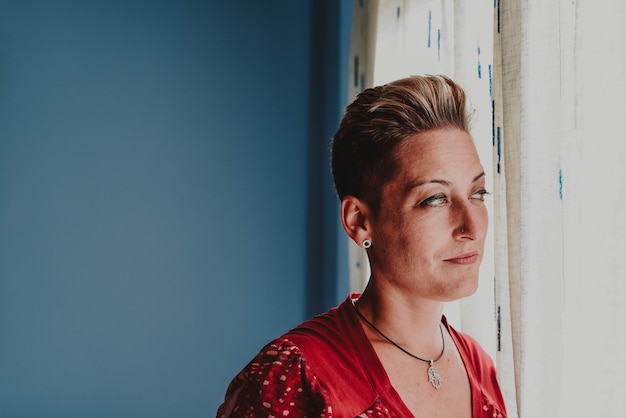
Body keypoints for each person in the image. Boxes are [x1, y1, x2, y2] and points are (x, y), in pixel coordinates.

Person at [216, 75, 507, 417]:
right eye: (435, 199)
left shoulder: (480, 368)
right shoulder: (295, 378)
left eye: (478, 193)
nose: (471, 227)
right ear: (360, 221)